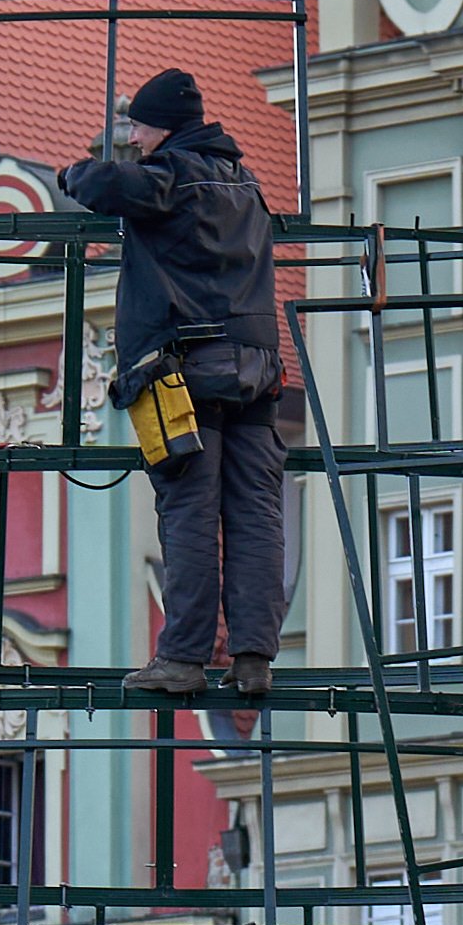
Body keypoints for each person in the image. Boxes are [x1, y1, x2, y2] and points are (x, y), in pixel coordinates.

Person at [56, 67, 287, 704]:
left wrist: (72, 172)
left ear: (162, 128)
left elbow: (102, 183)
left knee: (189, 512)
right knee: (255, 513)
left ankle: (183, 657)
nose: (132, 138)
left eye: (137, 127)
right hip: (257, 367)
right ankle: (253, 658)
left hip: (185, 370)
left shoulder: (171, 175)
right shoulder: (245, 181)